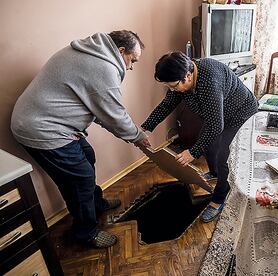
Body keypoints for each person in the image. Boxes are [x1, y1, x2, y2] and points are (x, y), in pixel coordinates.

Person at [10, 30, 150, 248]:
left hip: (48, 122)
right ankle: (85, 233)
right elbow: (114, 114)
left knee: (87, 155)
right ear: (120, 50)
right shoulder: (103, 67)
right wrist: (138, 137)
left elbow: (101, 110)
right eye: (132, 60)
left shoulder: (91, 51)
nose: (131, 67)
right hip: (43, 129)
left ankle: (95, 203)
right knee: (80, 179)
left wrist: (130, 133)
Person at [141, 51, 258, 222]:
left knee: (224, 156)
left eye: (173, 86)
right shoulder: (181, 77)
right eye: (169, 87)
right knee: (209, 146)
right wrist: (146, 127)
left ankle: (218, 200)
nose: (172, 90)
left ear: (187, 76)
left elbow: (216, 126)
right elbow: (167, 104)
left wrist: (192, 152)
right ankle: (215, 173)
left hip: (240, 113)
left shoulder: (209, 80)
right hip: (219, 115)